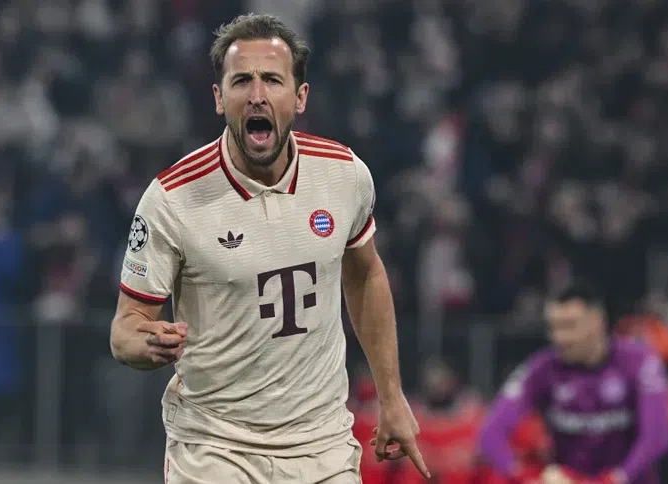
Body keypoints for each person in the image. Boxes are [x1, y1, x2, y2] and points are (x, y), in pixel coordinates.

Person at [108, 13, 429, 484]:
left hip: (322, 444)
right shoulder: (172, 199)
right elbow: (125, 328)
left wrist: (392, 396)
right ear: (219, 98)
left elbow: (365, 274)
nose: (257, 95)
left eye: (273, 80)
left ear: (299, 96)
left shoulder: (344, 174)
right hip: (215, 446)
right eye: (241, 81)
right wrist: (145, 343)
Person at [477, 285, 668, 484]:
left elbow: (657, 436)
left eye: (569, 326)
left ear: (597, 321)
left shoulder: (640, 362)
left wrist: (615, 479)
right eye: (554, 327)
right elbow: (491, 433)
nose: (559, 337)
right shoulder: (541, 368)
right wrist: (523, 477)